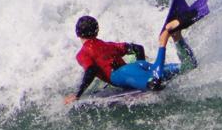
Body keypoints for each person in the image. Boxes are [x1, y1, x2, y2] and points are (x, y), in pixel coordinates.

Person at [63, 15, 198, 104]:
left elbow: (91, 70)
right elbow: (138, 48)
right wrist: (140, 65)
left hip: (123, 74)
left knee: (155, 84)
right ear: (97, 32)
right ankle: (177, 37)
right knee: (190, 66)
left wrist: (78, 94)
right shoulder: (109, 45)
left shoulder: (82, 53)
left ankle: (166, 36)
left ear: (77, 33)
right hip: (138, 68)